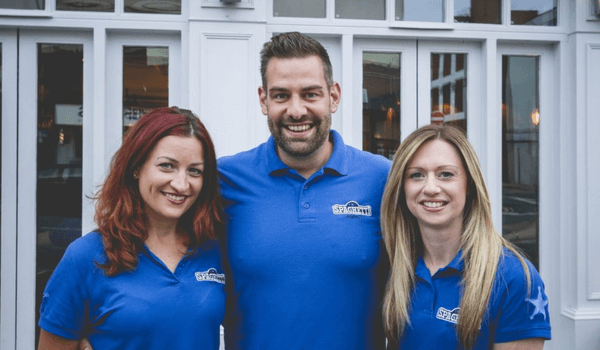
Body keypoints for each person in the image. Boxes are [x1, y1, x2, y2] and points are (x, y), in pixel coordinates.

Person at [218, 31, 391, 349]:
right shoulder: (223, 179)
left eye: (310, 94)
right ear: (263, 99)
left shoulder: (382, 179)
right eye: (281, 95)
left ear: (334, 96)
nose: (296, 111)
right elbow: (161, 251)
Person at [38, 107, 226, 350]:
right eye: (167, 166)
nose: (181, 184)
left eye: (194, 171)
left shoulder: (213, 249)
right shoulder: (86, 257)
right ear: (136, 167)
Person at [380, 124, 551, 349]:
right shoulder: (395, 266)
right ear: (402, 188)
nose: (430, 187)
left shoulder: (513, 278)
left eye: (446, 174)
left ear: (468, 184)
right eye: (417, 175)